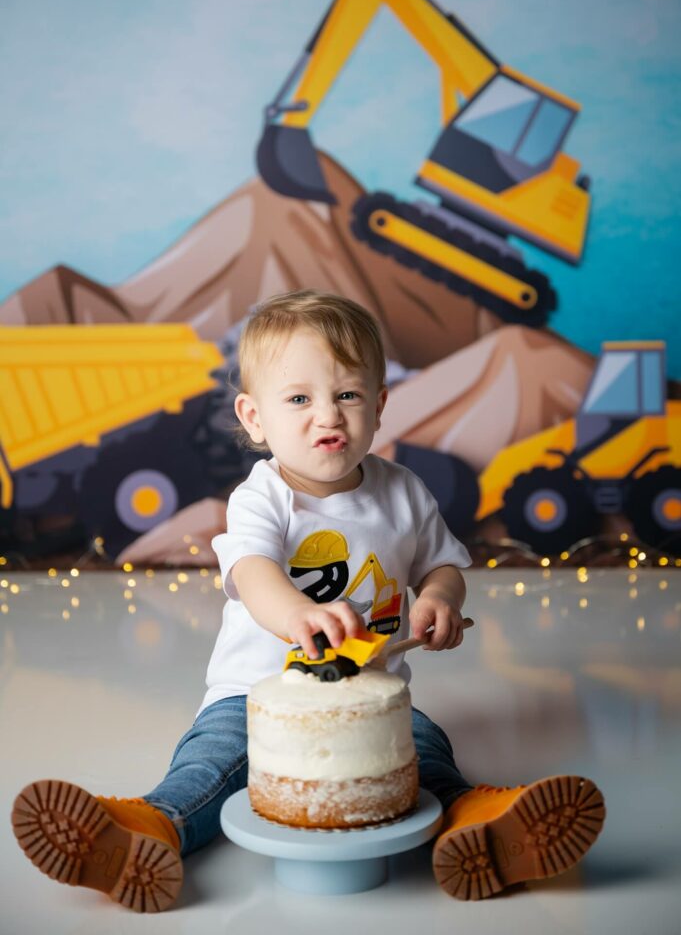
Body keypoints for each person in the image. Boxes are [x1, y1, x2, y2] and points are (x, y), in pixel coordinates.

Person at [11, 289, 605, 912]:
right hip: (255, 694)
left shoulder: (403, 491)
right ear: (253, 418)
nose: (328, 417)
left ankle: (477, 822)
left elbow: (444, 566)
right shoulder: (262, 496)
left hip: (365, 701)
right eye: (299, 399)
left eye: (347, 395)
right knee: (212, 765)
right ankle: (146, 829)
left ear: (378, 407)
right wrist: (298, 612)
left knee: (423, 748)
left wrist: (438, 600)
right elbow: (252, 572)